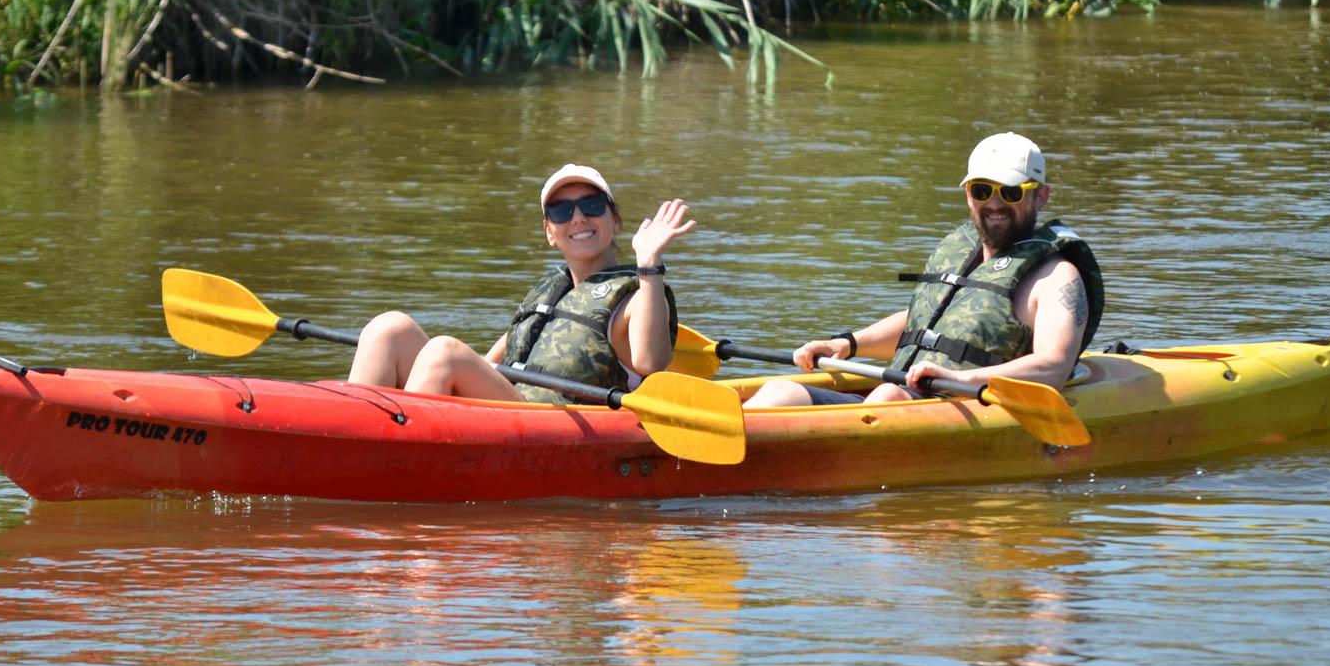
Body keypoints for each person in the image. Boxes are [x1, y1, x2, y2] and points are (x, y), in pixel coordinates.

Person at [745, 132, 1102, 407]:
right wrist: (847, 344)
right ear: (968, 195)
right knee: (780, 390)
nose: (995, 203)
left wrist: (957, 377)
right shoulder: (964, 257)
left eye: (1011, 193)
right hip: (900, 396)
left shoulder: (1056, 277)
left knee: (887, 396)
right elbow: (923, 324)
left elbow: (1054, 366)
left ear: (1041, 196)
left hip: (968, 405)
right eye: (982, 190)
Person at [347, 164, 694, 402]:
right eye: (561, 211)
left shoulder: (639, 296)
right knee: (388, 329)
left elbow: (651, 363)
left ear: (615, 221)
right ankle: (350, 434)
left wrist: (649, 264)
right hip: (512, 409)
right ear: (549, 233)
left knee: (444, 352)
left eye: (591, 205)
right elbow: (488, 365)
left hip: (555, 427)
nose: (578, 217)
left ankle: (398, 451)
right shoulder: (549, 298)